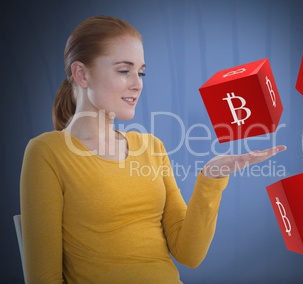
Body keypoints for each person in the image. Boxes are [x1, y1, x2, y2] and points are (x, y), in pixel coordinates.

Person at [20, 15, 286, 283]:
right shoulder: (47, 153)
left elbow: (189, 253)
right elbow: (44, 277)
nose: (137, 84)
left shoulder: (150, 148)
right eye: (124, 70)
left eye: (141, 71)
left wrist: (211, 179)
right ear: (82, 74)